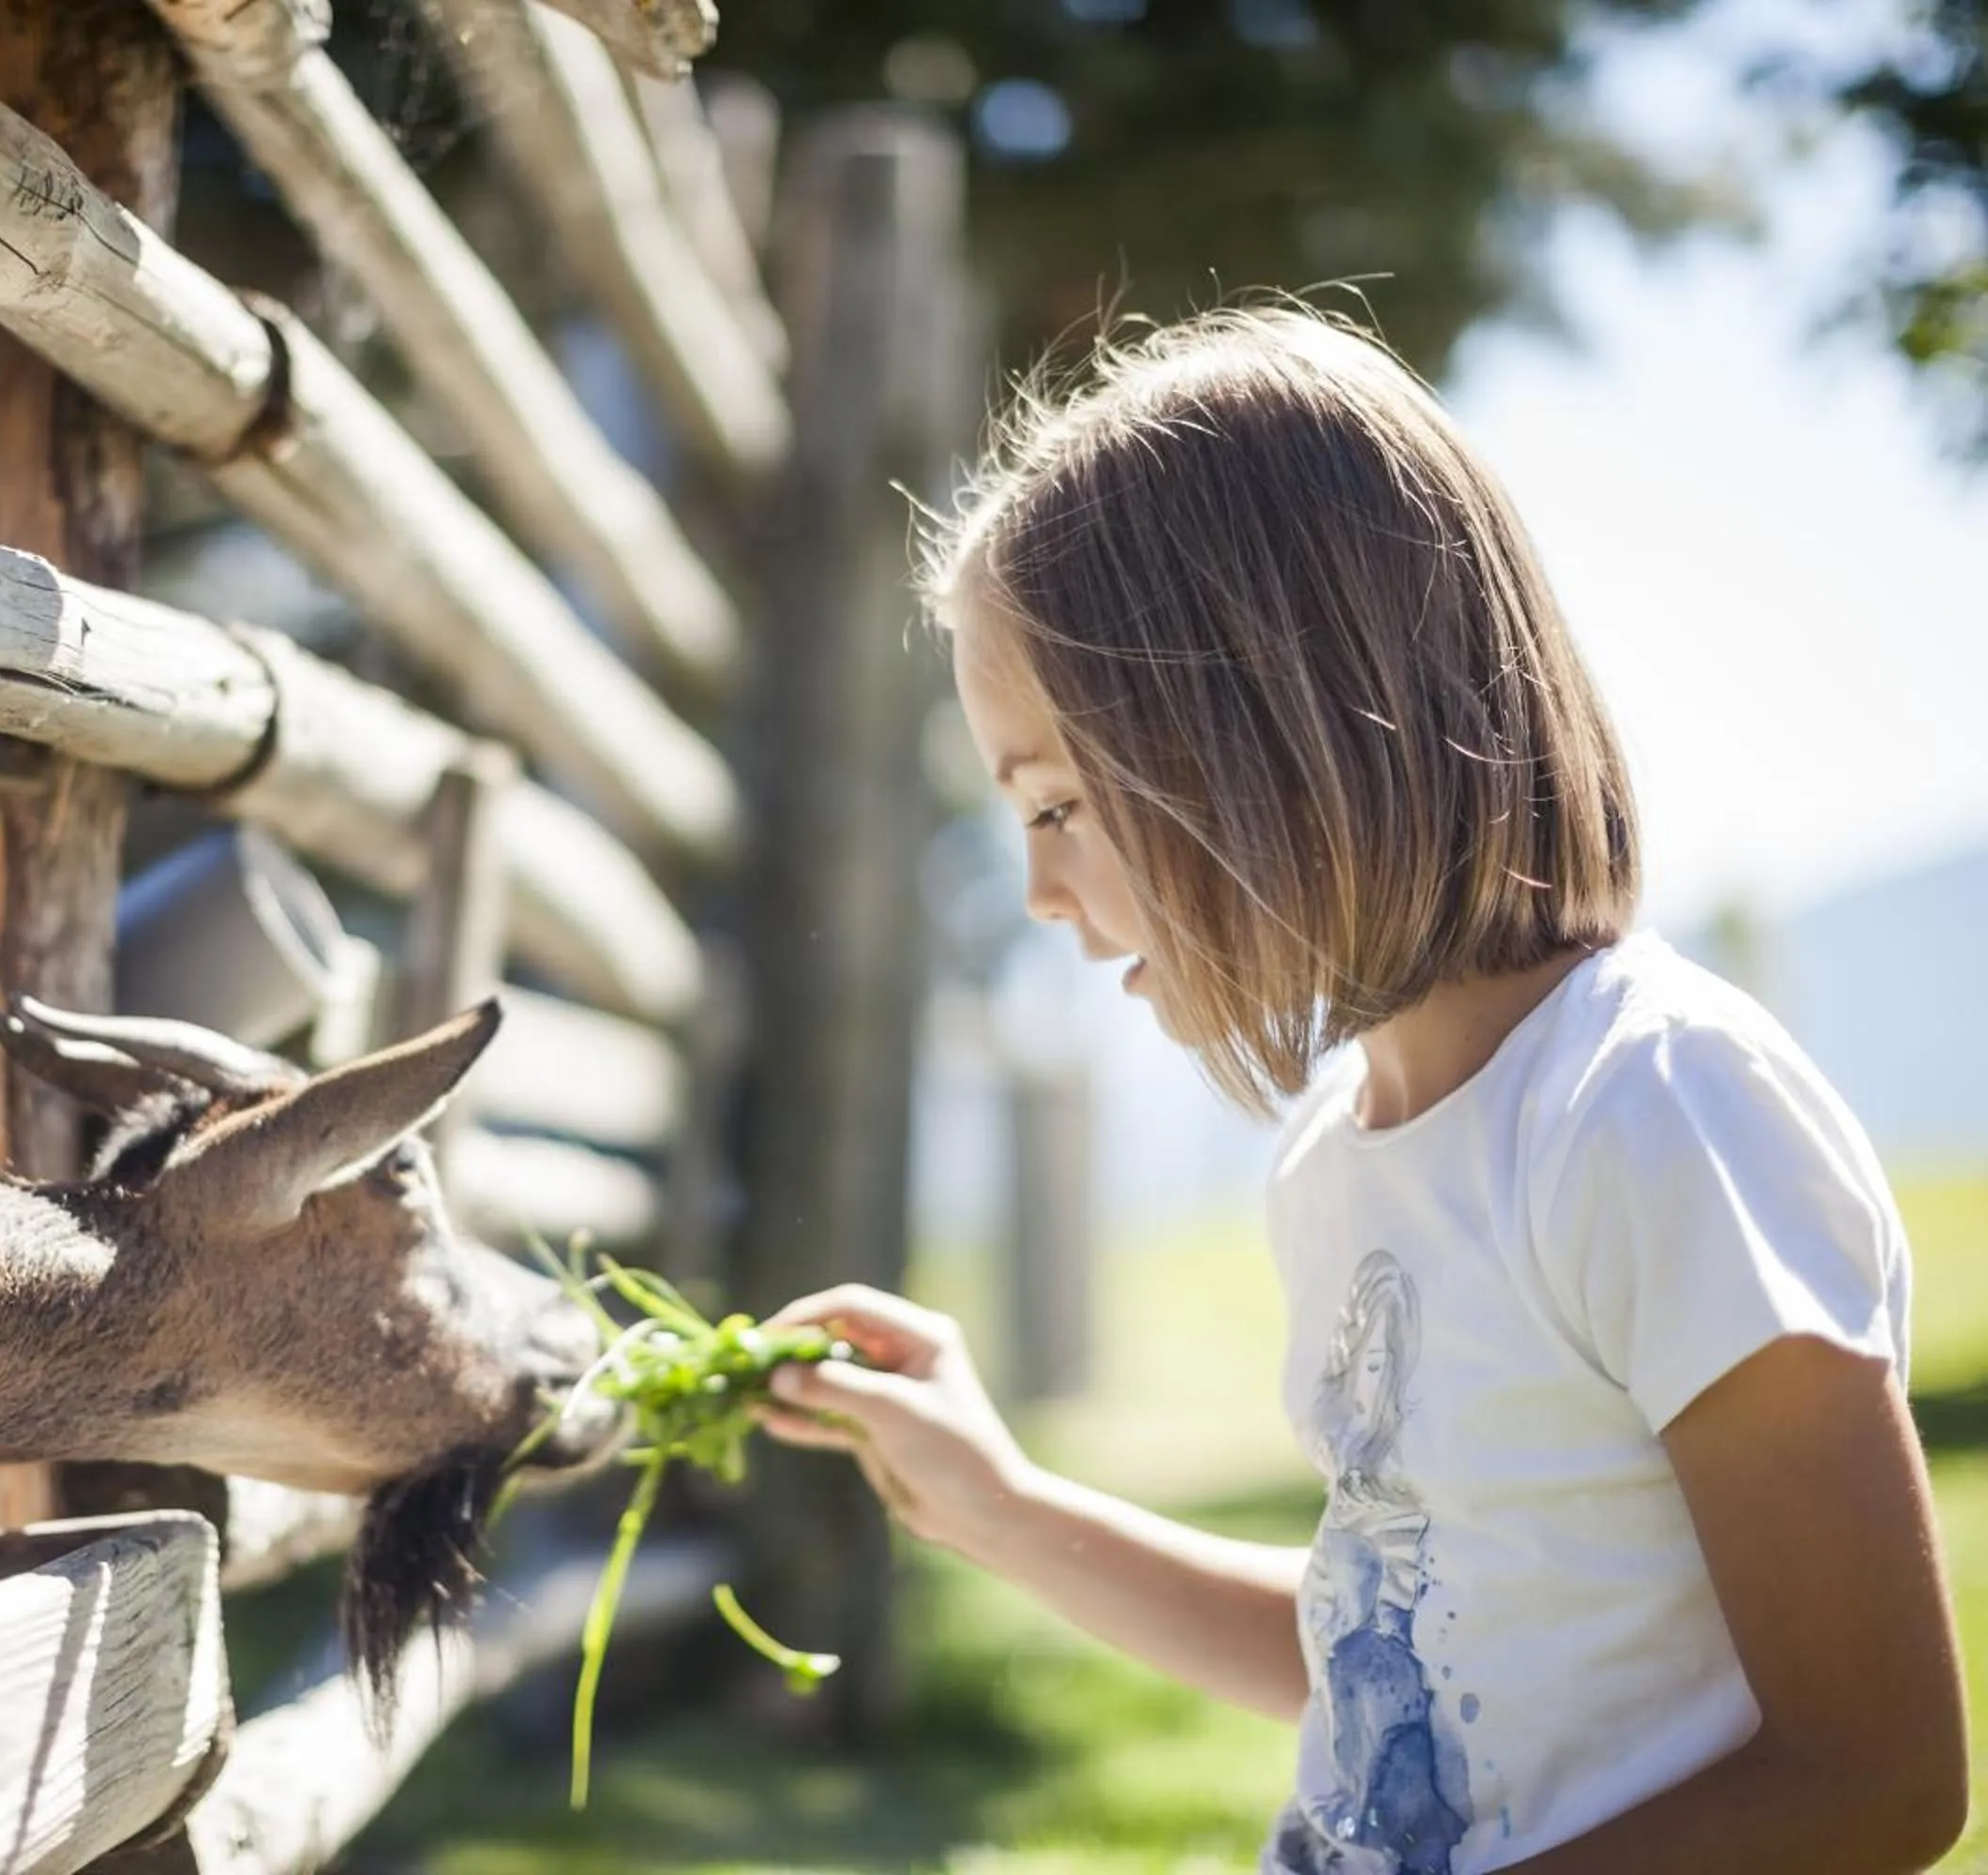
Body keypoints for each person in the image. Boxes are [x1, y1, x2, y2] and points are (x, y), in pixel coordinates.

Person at [756, 308, 1969, 1873]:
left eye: (1058, 802)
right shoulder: (1335, 1161)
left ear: (1271, 732)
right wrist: (993, 1503)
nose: (1040, 890)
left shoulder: (1654, 1110)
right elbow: (1394, 1654)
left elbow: (1874, 1779)